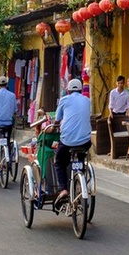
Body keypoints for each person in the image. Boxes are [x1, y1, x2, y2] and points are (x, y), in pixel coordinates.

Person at [53, 79, 92, 207]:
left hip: (67, 141)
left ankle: (63, 189)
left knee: (59, 162)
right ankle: (81, 183)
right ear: (81, 90)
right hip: (85, 141)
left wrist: (54, 125)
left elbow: (57, 119)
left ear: (68, 90)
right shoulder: (87, 100)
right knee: (81, 156)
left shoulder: (64, 100)